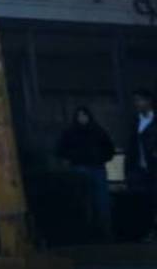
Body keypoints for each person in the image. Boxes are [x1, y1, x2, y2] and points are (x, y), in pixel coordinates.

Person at [55, 106, 117, 241]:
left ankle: (105, 232)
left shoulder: (98, 131)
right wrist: (72, 159)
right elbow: (60, 150)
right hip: (81, 169)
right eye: (80, 116)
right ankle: (89, 232)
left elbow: (109, 149)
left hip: (96, 168)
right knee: (85, 201)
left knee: (101, 201)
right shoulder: (71, 132)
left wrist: (100, 158)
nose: (82, 118)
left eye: (84, 115)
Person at [128, 91, 157, 242]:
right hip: (141, 168)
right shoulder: (135, 122)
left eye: (140, 101)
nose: (137, 104)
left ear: (148, 101)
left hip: (153, 166)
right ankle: (150, 230)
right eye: (136, 101)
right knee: (147, 201)